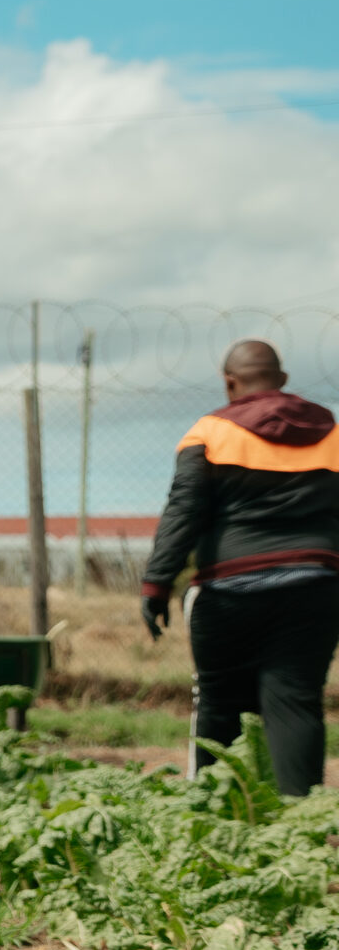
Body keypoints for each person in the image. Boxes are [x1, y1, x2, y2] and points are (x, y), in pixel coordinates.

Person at [140, 339, 339, 797]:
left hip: (228, 590)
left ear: (230, 383)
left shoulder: (209, 433)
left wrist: (156, 584)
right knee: (296, 702)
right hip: (315, 587)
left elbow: (184, 511)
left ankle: (213, 806)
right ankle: (299, 820)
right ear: (282, 380)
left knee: (219, 701)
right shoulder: (331, 432)